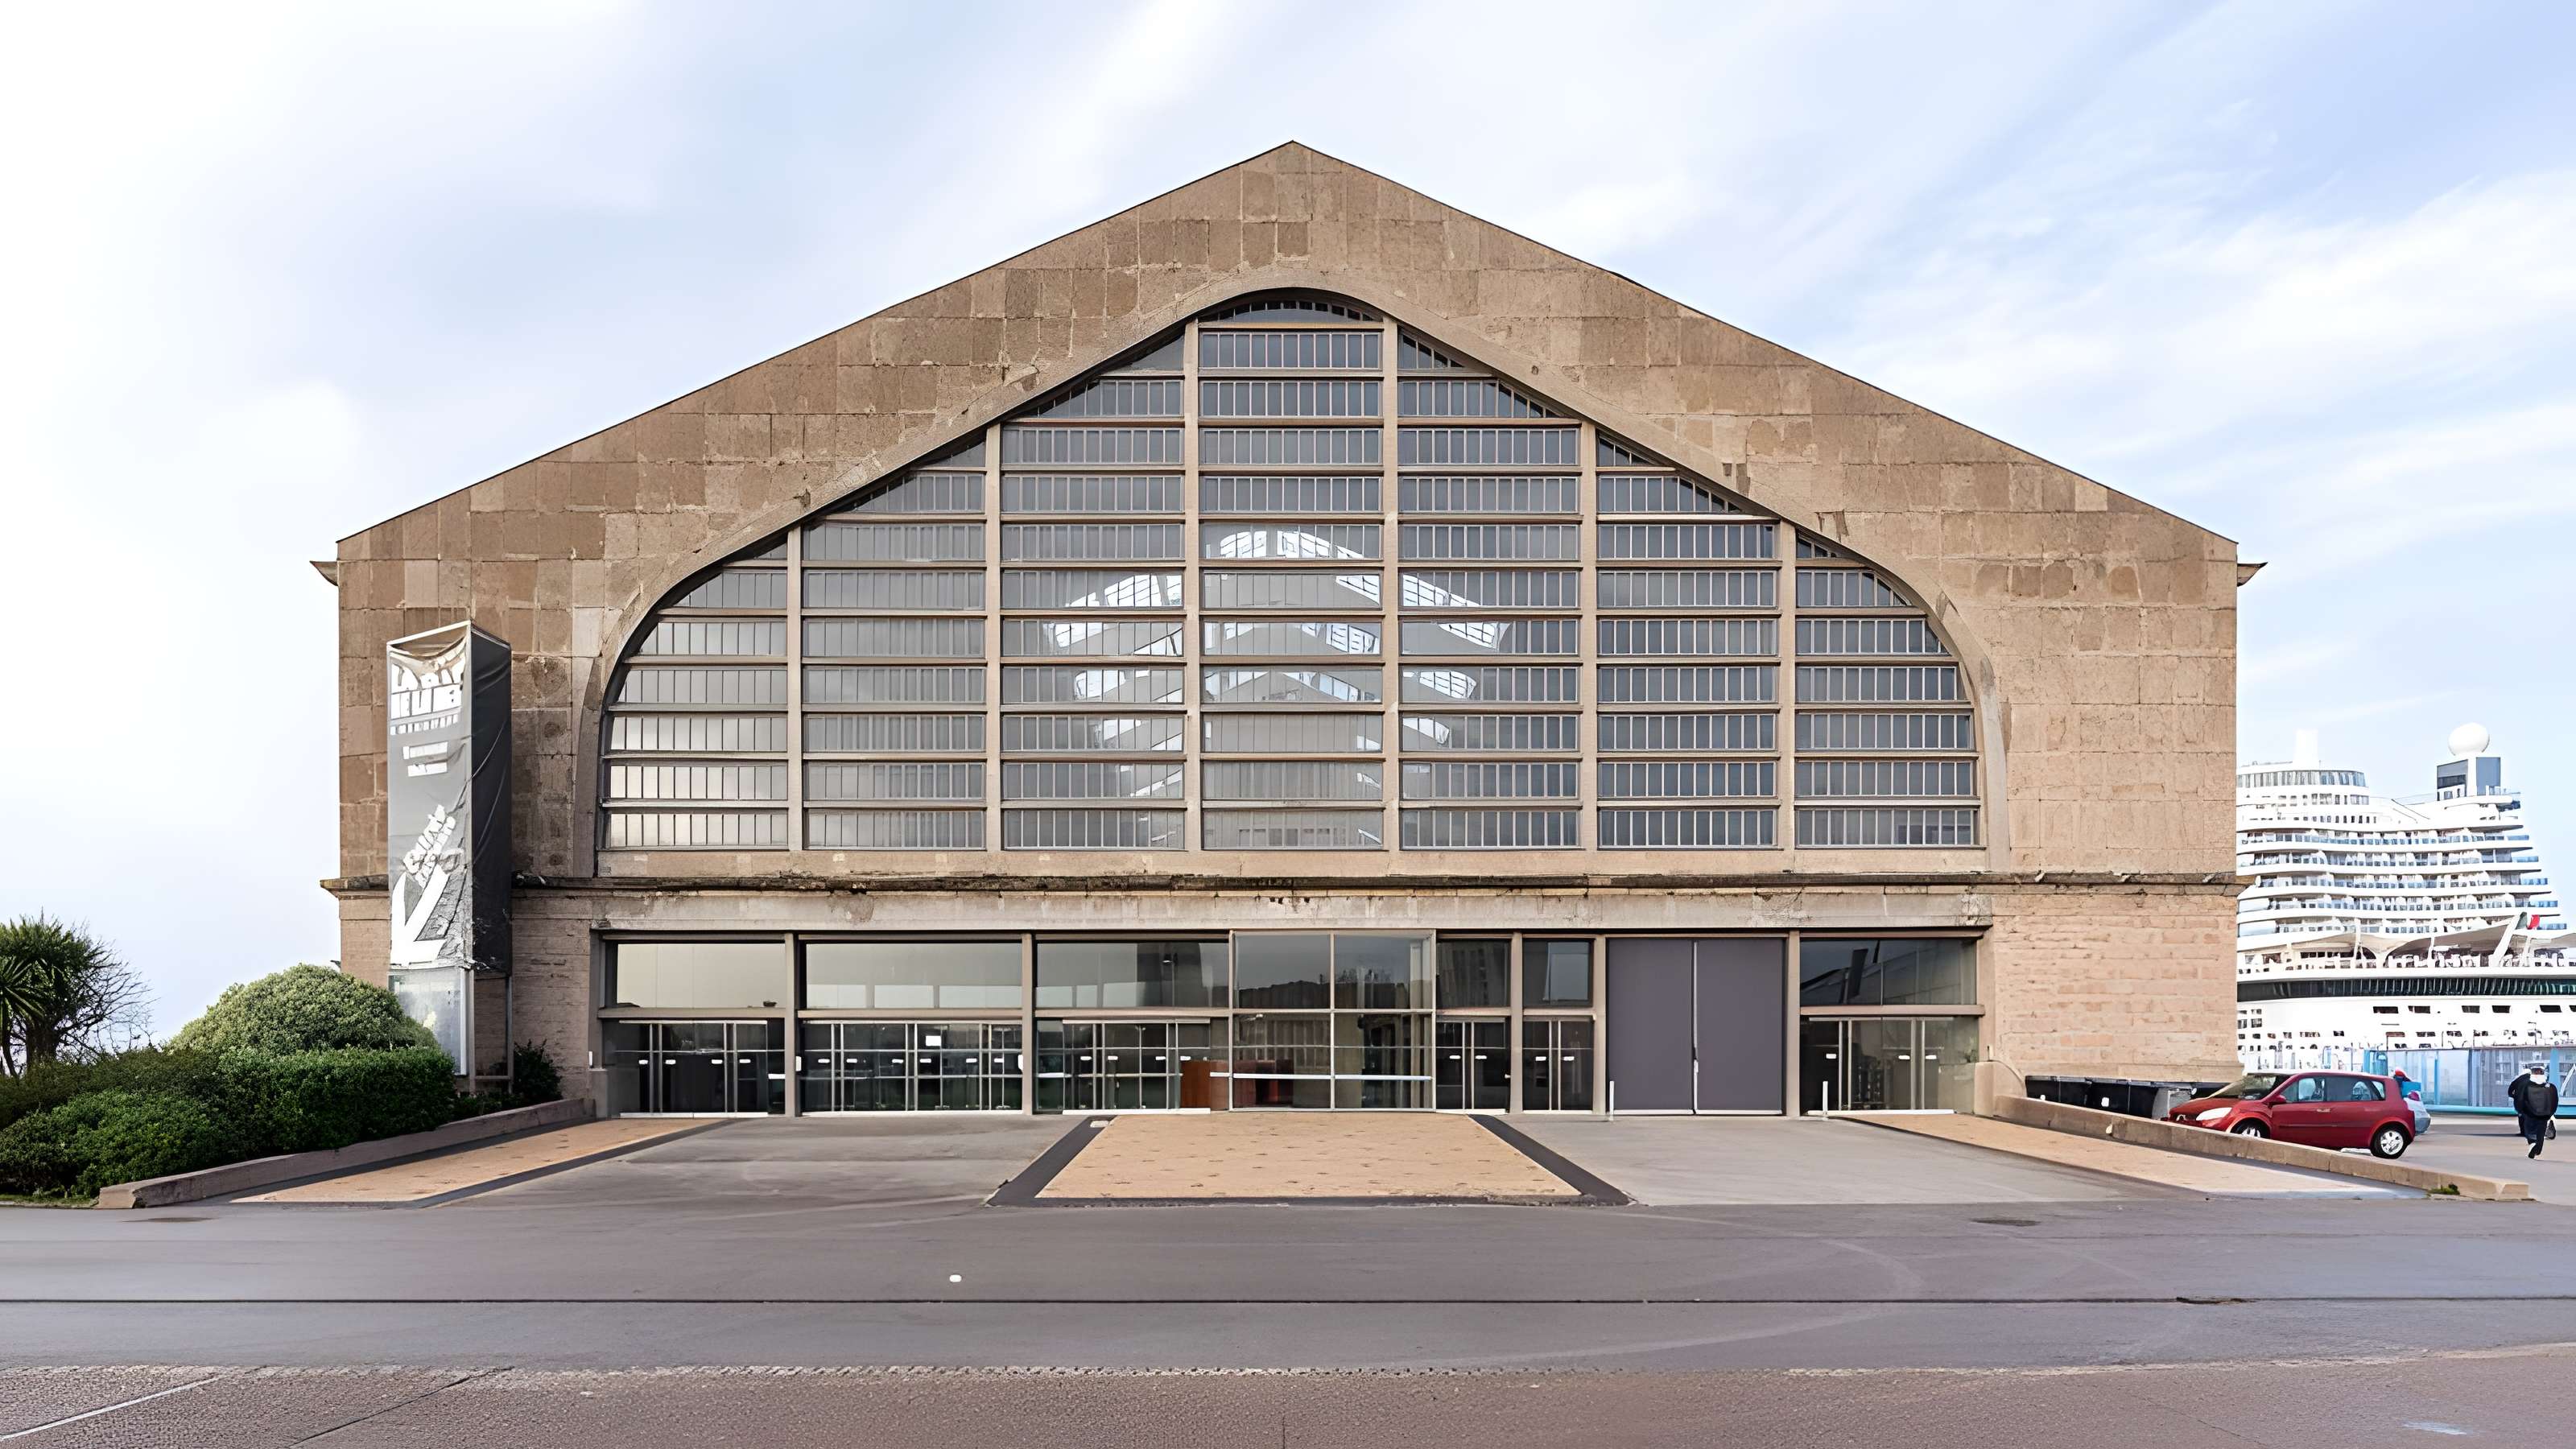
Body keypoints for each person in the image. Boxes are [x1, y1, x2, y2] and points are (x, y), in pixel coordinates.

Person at [2508, 1063, 2559, 1159]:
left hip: (2530, 1115)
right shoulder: (2550, 1087)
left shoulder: (2525, 1085)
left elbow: (2520, 1099)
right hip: (2544, 1117)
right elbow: (2554, 1102)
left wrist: (2521, 1112)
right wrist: (2550, 1114)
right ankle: (2537, 1148)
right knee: (2540, 1136)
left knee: (2531, 1134)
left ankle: (2532, 1145)